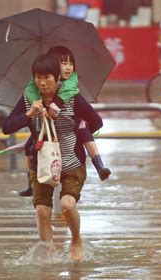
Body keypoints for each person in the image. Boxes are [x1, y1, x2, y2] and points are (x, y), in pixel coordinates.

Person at [2, 54, 103, 260]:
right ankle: (48, 251)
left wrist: (75, 131)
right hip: (42, 163)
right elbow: (6, 127)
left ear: (58, 79)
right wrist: (29, 114)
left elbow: (96, 122)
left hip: (71, 162)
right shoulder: (29, 100)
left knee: (67, 205)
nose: (42, 82)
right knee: (42, 210)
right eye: (38, 77)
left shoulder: (73, 99)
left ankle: (76, 239)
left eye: (47, 77)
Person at [18, 46, 111, 197]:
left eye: (70, 63)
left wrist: (75, 133)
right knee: (30, 146)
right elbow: (29, 91)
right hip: (47, 130)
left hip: (72, 124)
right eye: (63, 63)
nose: (68, 67)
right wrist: (35, 105)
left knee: (84, 134)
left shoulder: (71, 82)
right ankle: (31, 182)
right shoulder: (37, 83)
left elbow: (94, 120)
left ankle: (100, 167)